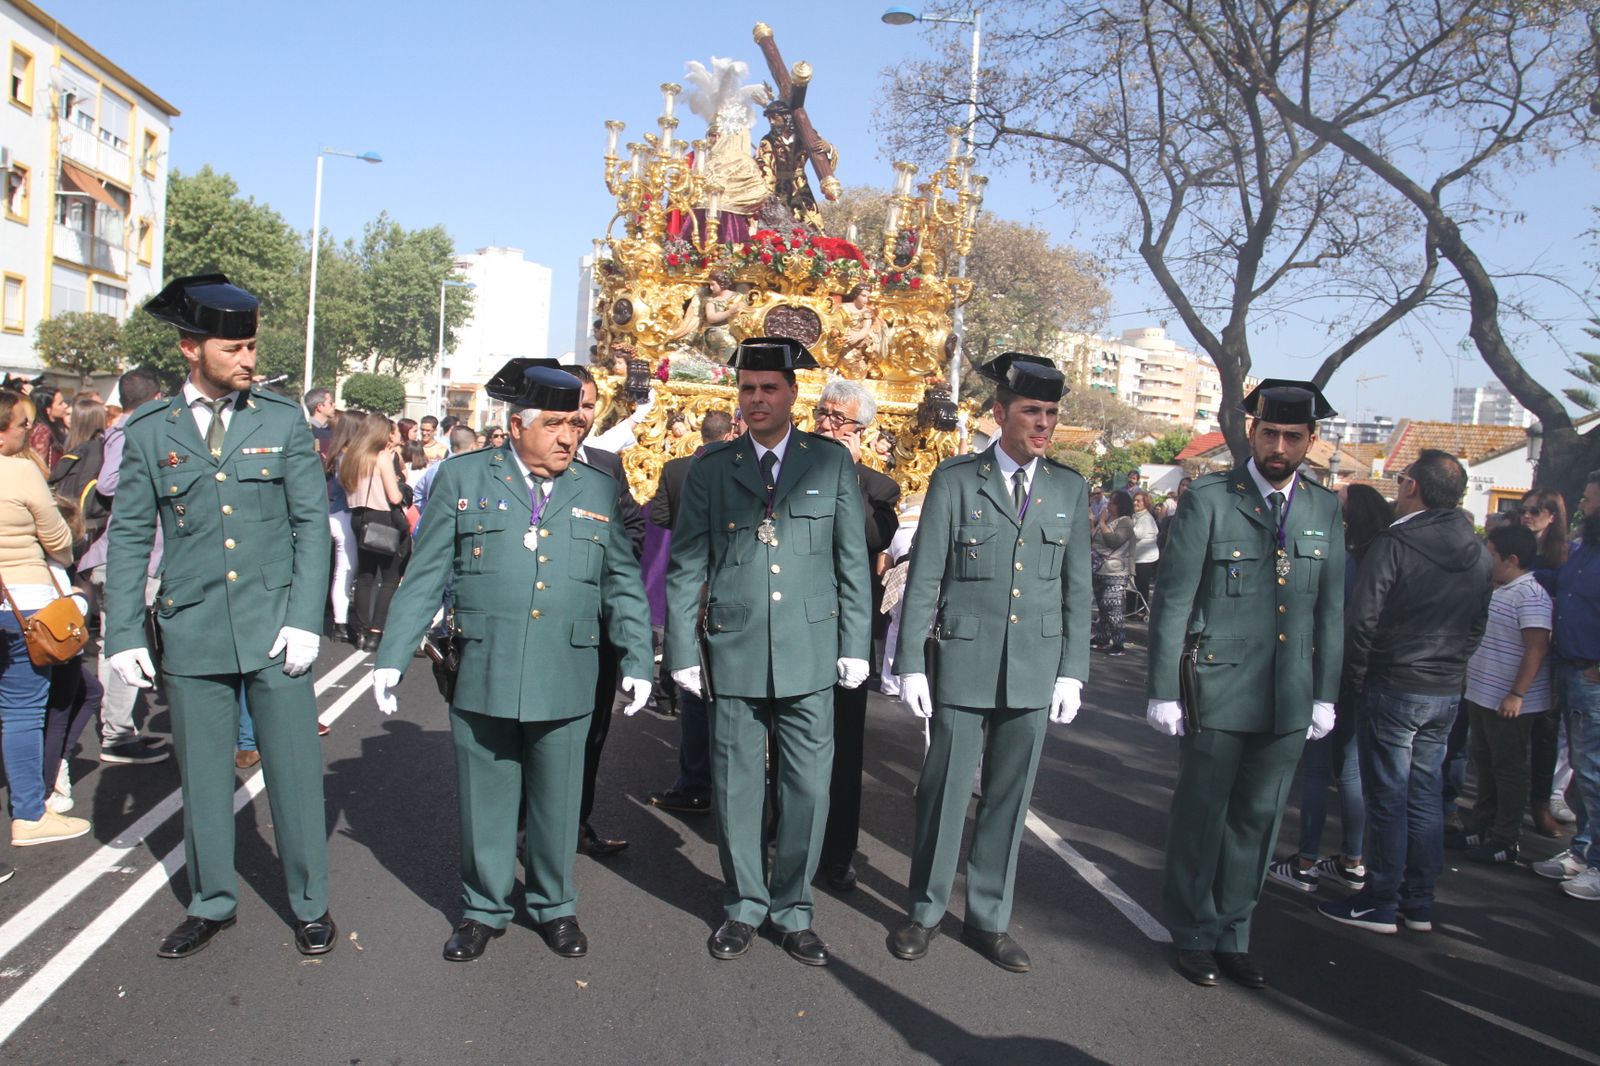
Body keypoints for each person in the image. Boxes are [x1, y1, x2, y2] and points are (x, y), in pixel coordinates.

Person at [370, 363, 652, 962]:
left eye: (575, 425)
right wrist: (392, 655)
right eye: (554, 425)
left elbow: (622, 580)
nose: (568, 438)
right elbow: (425, 574)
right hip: (486, 664)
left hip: (567, 668)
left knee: (558, 799)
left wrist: (637, 657)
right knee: (486, 796)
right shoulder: (465, 476)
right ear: (517, 425)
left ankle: (555, 905)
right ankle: (483, 907)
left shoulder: (595, 485)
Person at [102, 273, 335, 959]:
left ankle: (310, 903)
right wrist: (121, 632)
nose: (248, 360)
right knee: (204, 777)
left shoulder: (282, 419)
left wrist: (304, 618)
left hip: (273, 626)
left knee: (293, 774)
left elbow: (310, 526)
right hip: (193, 625)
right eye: (234, 349)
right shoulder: (150, 430)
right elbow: (129, 535)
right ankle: (210, 901)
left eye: (252, 346)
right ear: (190, 348)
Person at [665, 336, 869, 967]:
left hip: (811, 649)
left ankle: (793, 908)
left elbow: (851, 558)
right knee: (737, 788)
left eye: (769, 388)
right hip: (735, 648)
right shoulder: (710, 468)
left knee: (809, 789)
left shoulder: (830, 463)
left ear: (792, 394)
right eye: (748, 388)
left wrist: (855, 643)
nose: (757, 399)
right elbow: (686, 564)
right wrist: (681, 649)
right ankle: (745, 904)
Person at [888, 352, 1090, 973]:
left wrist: (1073, 670)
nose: (1043, 424)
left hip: (1033, 666)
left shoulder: (1068, 487)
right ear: (1000, 414)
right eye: (1032, 411)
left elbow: (1076, 587)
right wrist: (911, 664)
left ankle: (988, 919)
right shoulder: (956, 480)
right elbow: (925, 576)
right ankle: (923, 911)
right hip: (962, 661)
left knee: (1008, 798)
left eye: (1051, 413)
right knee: (944, 792)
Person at [1146, 379, 1344, 989]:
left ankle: (1234, 932)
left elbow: (1331, 609)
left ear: (1311, 442)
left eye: (1292, 436)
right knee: (1203, 816)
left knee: (1257, 822)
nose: (1278, 445)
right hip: (1217, 688)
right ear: (1252, 434)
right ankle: (1194, 933)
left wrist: (1325, 692)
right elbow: (1173, 599)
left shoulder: (1324, 507)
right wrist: (1163, 688)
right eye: (1268, 433)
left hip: (1288, 692)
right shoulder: (1209, 499)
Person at [1319, 448, 1491, 934]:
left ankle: (1381, 897)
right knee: (1424, 793)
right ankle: (1417, 901)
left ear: (1413, 486)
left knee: (1390, 794)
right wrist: (1453, 666)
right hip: (1442, 687)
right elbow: (1479, 620)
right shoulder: (1476, 549)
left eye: (1401, 478)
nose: (1397, 486)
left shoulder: (1397, 543)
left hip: (1395, 682)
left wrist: (1353, 680)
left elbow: (1362, 621)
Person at [1266, 483, 1391, 894]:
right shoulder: (1382, 555)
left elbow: (1327, 617)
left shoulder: (1348, 561)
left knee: (1319, 771)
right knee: (1350, 771)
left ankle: (1305, 862)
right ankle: (1353, 859)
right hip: (1362, 674)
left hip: (1332, 673)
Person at [810, 379, 899, 893]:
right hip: (795, 623)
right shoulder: (790, 469)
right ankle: (784, 831)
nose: (826, 424)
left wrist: (848, 473)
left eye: (840, 420)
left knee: (843, 747)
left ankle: (838, 850)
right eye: (823, 414)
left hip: (845, 630)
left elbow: (874, 537)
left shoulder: (879, 487)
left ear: (861, 431)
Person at [0, 388, 93, 851]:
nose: (26, 434)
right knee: (22, 711)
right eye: (20, 426)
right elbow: (59, 539)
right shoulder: (18, 472)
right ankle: (30, 814)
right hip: (23, 603)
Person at [77, 366, 170, 764]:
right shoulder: (131, 431)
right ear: (154, 398)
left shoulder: (124, 428)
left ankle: (119, 729)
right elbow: (108, 483)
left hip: (123, 555)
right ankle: (116, 735)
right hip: (127, 557)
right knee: (121, 641)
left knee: (118, 641)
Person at [647, 410, 737, 816]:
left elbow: (661, 517)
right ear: (731, 431)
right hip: (730, 585)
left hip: (694, 579)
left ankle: (697, 781)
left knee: (697, 693)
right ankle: (729, 782)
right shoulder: (739, 466)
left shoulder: (677, 468)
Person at [1451, 524, 1553, 865]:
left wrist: (1517, 693)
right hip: (1482, 693)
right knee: (1485, 762)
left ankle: (1505, 839)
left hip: (1508, 701)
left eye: (1491, 555)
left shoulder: (1531, 595)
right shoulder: (1497, 589)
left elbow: (1536, 648)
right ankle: (1481, 824)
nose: (1486, 560)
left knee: (1507, 769)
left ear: (1511, 560)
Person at [1531, 471, 1600, 899]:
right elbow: (1562, 586)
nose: (1583, 506)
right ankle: (1583, 849)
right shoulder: (1584, 550)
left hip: (1592, 675)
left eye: (1590, 500)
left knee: (1593, 773)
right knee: (1582, 770)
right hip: (1570, 670)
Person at [1521, 488, 1574, 835]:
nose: (1527, 515)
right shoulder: (1514, 546)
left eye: (1536, 510)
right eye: (1524, 509)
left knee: (1546, 733)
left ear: (1553, 516)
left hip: (1549, 652)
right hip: (1510, 648)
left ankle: (1543, 801)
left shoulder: (1567, 557)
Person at [343, 415, 408, 651]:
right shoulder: (381, 457)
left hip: (358, 516)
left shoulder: (352, 456)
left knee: (366, 575)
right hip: (383, 518)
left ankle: (360, 628)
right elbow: (395, 496)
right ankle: (375, 632)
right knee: (390, 578)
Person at [1091, 490, 1136, 657]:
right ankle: (1102, 638)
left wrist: (1101, 523)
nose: (1108, 505)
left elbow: (1113, 541)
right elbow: (1094, 538)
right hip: (1099, 568)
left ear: (1120, 505)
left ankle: (1119, 643)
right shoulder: (1109, 519)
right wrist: (1094, 523)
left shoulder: (1126, 522)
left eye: (1112, 503)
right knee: (1103, 606)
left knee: (1113, 607)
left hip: (1115, 570)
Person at [1131, 489, 1161, 610]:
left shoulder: (1146, 518)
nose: (1135, 503)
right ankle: (1131, 608)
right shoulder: (1135, 516)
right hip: (1135, 557)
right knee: (1132, 585)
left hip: (1145, 559)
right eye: (1134, 500)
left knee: (1141, 585)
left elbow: (1136, 534)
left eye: (1138, 501)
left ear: (1145, 503)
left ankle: (1141, 611)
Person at [27, 386, 69, 470]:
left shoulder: (56, 426)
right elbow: (39, 465)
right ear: (48, 409)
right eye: (60, 403)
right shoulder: (42, 430)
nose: (65, 405)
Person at [303, 387, 336, 459]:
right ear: (320, 407)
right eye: (330, 403)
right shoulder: (306, 431)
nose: (334, 405)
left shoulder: (333, 430)